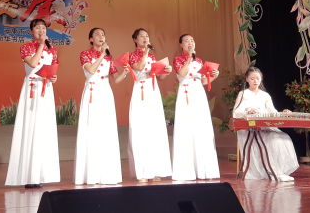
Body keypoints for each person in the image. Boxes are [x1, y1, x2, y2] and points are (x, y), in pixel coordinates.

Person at [5, 19, 60, 188]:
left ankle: (41, 174)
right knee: (30, 128)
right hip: (32, 89)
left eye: (44, 28)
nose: (41, 30)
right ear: (31, 31)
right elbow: (34, 63)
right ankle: (28, 175)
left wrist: (54, 78)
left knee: (44, 129)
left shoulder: (53, 50)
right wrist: (42, 45)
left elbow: (53, 69)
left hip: (46, 89)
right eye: (37, 28)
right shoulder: (26, 47)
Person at [74, 27, 129, 185]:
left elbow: (115, 79)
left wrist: (125, 73)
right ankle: (90, 174)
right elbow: (91, 70)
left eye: (103, 34)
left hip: (105, 92)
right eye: (97, 34)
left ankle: (106, 173)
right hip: (92, 91)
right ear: (91, 39)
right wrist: (102, 55)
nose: (101, 36)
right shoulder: (85, 54)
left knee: (106, 130)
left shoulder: (109, 57)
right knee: (91, 129)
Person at [232, 67, 299, 181]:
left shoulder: (265, 95)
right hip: (248, 129)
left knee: (282, 138)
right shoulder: (243, 94)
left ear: (261, 79)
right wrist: (247, 112)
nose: (255, 81)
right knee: (271, 140)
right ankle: (270, 171)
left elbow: (273, 113)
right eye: (252, 78)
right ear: (247, 79)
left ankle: (278, 171)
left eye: (257, 78)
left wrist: (283, 113)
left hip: (264, 126)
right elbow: (235, 112)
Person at [171, 34, 221, 181]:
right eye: (186, 41)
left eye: (192, 40)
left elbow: (204, 80)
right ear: (181, 45)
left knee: (201, 128)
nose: (190, 43)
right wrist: (188, 59)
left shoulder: (199, 61)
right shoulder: (178, 59)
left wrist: (215, 75)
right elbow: (181, 73)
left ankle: (204, 169)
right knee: (186, 128)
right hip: (186, 93)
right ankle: (186, 171)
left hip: (198, 93)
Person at [127, 28, 173, 182]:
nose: (145, 38)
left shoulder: (153, 57)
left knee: (155, 129)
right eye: (142, 36)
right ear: (135, 40)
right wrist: (146, 52)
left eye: (147, 36)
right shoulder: (132, 55)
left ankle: (155, 170)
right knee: (141, 129)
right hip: (140, 91)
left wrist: (166, 71)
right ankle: (142, 172)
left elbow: (160, 78)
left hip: (153, 91)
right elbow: (139, 67)